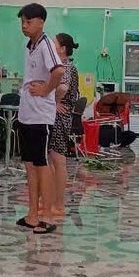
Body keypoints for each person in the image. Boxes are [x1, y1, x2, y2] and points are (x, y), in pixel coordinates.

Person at [16, 3, 63, 234]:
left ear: (41, 22)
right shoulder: (29, 46)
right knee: (30, 165)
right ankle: (32, 214)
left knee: (42, 164)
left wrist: (46, 90)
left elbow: (58, 71)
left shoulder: (46, 45)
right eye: (22, 22)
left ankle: (48, 216)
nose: (24, 26)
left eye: (29, 22)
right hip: (26, 113)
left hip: (40, 116)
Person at [49, 33, 80, 220]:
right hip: (59, 116)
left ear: (62, 49)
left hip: (60, 117)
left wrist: (52, 101)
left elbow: (62, 88)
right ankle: (53, 200)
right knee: (52, 160)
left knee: (58, 160)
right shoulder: (60, 66)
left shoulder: (66, 67)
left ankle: (59, 204)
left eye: (54, 44)